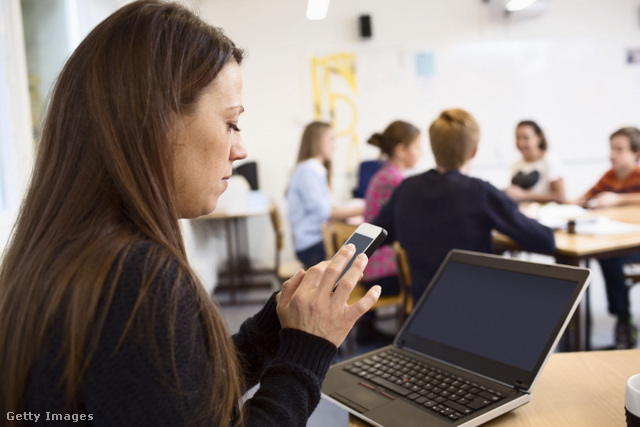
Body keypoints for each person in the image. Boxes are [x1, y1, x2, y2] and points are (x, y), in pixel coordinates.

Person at [0, 2, 380, 425]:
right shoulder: (137, 280)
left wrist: (268, 330)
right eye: (231, 123)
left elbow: (171, 397)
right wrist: (307, 350)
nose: (241, 149)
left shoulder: (68, 253)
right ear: (157, 121)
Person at [373, 109, 556, 304]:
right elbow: (545, 240)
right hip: (474, 310)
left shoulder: (406, 189)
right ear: (474, 150)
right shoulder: (479, 192)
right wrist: (526, 215)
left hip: (423, 312)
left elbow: (374, 236)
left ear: (434, 148)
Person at [573, 126, 640, 349]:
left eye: (619, 149)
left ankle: (622, 319)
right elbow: (584, 198)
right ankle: (617, 318)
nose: (613, 154)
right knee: (605, 256)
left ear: (636, 153)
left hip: (633, 244)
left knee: (610, 257)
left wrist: (618, 199)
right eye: (611, 148)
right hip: (613, 241)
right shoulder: (609, 176)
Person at [356, 121, 422, 343]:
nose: (421, 153)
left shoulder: (384, 174)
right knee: (427, 273)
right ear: (401, 150)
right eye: (417, 147)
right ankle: (412, 339)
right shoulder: (395, 180)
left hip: (371, 267)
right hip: (382, 273)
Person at [286, 121, 364, 268]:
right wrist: (365, 209)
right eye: (331, 139)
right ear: (317, 141)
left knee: (362, 246)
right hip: (312, 246)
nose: (334, 146)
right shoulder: (308, 170)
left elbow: (326, 207)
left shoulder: (312, 169)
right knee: (364, 249)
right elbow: (325, 212)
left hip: (316, 241)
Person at [504, 120, 566, 203]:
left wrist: (524, 195)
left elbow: (560, 197)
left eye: (526, 138)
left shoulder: (550, 161)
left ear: (538, 138)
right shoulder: (516, 164)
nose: (520, 143)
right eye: (517, 138)